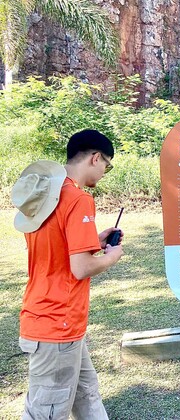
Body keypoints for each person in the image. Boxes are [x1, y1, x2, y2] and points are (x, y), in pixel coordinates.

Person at [12, 129, 124, 420]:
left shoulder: (44, 197)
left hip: (49, 317)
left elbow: (57, 249)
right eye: (106, 166)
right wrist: (111, 256)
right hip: (58, 324)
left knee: (86, 394)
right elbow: (81, 267)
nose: (103, 173)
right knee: (46, 412)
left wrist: (94, 240)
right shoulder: (78, 199)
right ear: (95, 158)